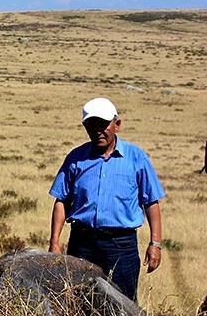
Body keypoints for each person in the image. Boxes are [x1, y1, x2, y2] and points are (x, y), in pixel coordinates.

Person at [47, 97, 164, 301]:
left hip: (121, 244)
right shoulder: (75, 158)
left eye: (103, 124)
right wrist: (54, 242)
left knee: (123, 304)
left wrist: (155, 243)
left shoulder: (136, 158)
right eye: (92, 125)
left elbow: (151, 202)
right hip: (81, 242)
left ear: (116, 125)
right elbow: (61, 201)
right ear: (85, 127)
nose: (98, 130)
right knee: (77, 301)